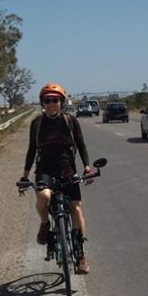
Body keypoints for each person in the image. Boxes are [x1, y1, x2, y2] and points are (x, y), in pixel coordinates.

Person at [20, 82, 92, 274]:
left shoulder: (70, 121)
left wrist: (86, 167)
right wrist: (25, 175)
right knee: (43, 197)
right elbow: (31, 150)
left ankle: (81, 255)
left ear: (62, 102)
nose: (51, 104)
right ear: (42, 103)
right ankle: (45, 224)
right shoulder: (37, 123)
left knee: (76, 208)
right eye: (47, 100)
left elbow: (81, 144)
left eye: (55, 100)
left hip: (67, 169)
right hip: (44, 169)